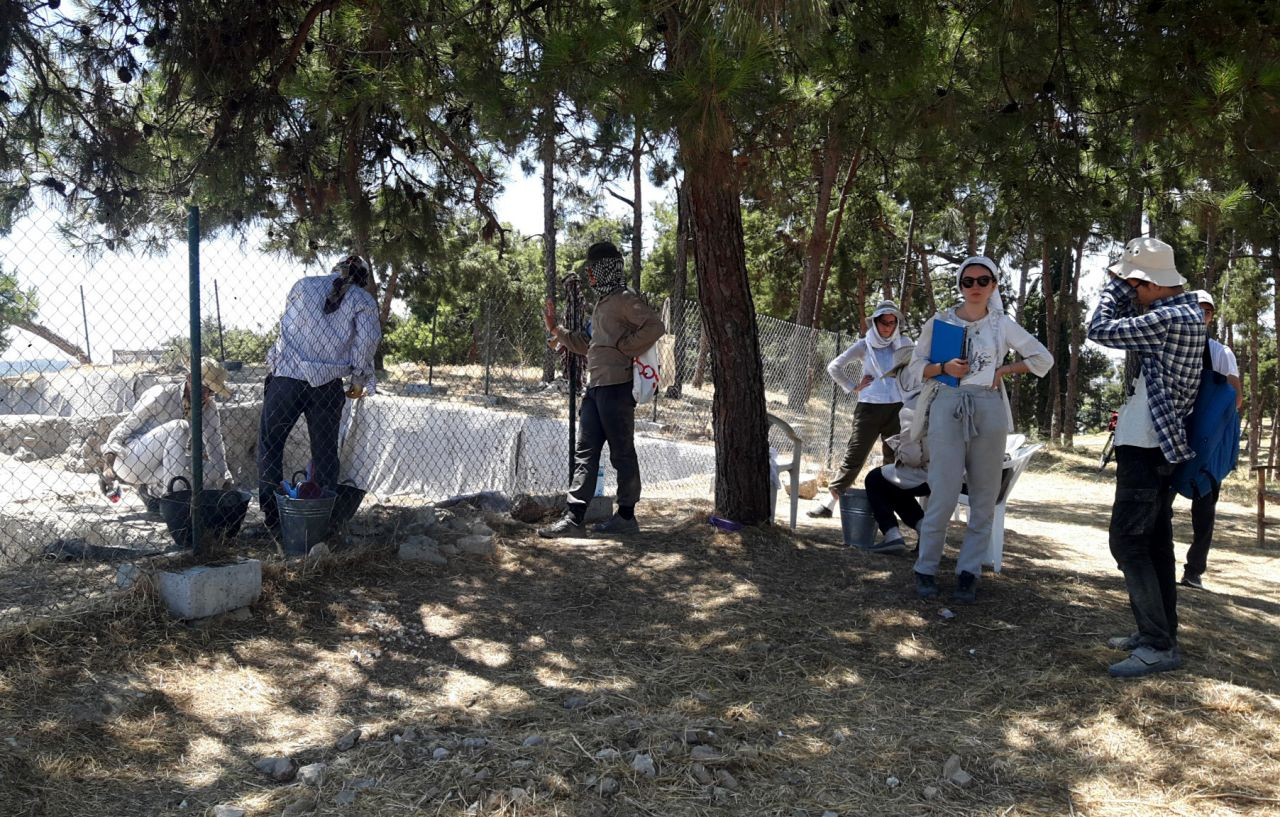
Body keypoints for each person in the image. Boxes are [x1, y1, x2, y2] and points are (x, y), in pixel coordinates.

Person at [1087, 237, 1205, 678]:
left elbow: (1098, 329)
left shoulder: (1169, 318)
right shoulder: (1184, 313)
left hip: (1150, 445)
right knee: (1154, 544)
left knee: (1128, 542)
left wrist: (1112, 290)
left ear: (1152, 284)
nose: (1132, 291)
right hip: (1157, 445)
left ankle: (1158, 643)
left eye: (1135, 284)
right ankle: (1159, 632)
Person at [906, 256, 1053, 603]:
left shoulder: (1003, 325)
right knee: (942, 489)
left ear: (994, 285)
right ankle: (926, 567)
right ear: (959, 285)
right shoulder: (940, 321)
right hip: (947, 403)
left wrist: (1001, 372)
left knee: (984, 494)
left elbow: (1042, 359)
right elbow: (914, 369)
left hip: (988, 408)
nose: (975, 287)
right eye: (967, 281)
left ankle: (968, 572)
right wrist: (943, 367)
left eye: (982, 280)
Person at [538, 241, 665, 538]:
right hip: (594, 389)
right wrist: (555, 329)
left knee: (622, 454)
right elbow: (584, 343)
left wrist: (625, 346)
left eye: (593, 270)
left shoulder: (625, 299)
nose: (590, 276)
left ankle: (626, 517)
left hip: (617, 388)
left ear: (606, 269)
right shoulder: (603, 303)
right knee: (585, 453)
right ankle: (574, 519)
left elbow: (655, 326)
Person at [256, 254, 380, 534]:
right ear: (362, 278)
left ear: (334, 269)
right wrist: (359, 378)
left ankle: (273, 519)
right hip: (326, 384)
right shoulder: (363, 300)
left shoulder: (303, 285)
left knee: (270, 445)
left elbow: (286, 326)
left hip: (286, 378)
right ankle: (322, 521)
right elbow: (368, 340)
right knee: (325, 453)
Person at [807, 301, 913, 518]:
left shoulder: (905, 343)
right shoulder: (864, 345)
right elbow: (834, 366)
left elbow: (919, 366)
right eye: (884, 322)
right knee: (855, 455)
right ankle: (829, 504)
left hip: (897, 408)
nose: (888, 327)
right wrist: (853, 386)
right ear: (875, 322)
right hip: (869, 408)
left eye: (893, 323)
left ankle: (887, 508)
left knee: (894, 457)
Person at [101, 357, 234, 508]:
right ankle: (173, 503)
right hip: (131, 459)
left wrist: (226, 480)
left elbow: (215, 445)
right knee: (180, 426)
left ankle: (152, 493)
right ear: (190, 378)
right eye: (204, 388)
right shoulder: (160, 394)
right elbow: (123, 428)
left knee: (212, 472)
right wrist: (107, 467)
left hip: (163, 467)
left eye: (211, 392)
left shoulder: (209, 408)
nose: (206, 396)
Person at [1181, 290, 1243, 591]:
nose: (1200, 315)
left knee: (1204, 509)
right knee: (1158, 504)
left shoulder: (1221, 353)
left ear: (1211, 317)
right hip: (1171, 433)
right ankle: (1155, 564)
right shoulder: (1172, 346)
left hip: (1205, 441)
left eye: (1206, 311)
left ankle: (1194, 571)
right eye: (1195, 309)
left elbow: (1235, 397)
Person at [860, 344, 930, 553]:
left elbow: (912, 458)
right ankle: (924, 528)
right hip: (956, 473)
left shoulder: (911, 408)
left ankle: (892, 534)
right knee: (892, 481)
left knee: (875, 479)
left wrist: (898, 453)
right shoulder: (941, 398)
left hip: (931, 474)